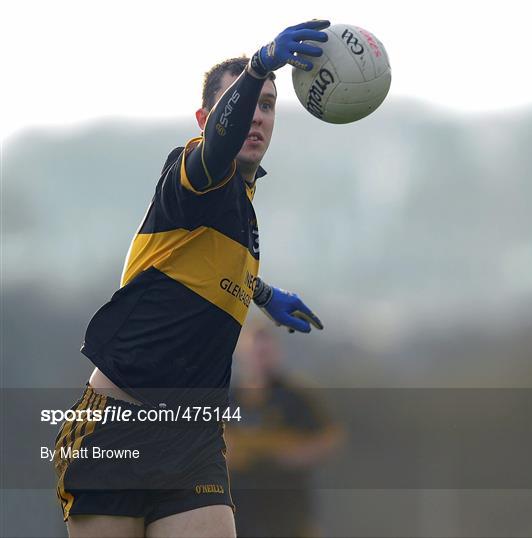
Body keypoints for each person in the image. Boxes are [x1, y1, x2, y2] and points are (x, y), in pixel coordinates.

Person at [53, 20, 330, 538]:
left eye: (268, 104)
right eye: (243, 102)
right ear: (208, 119)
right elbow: (216, 150)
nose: (256, 114)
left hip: (194, 442)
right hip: (118, 426)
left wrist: (264, 294)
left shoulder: (244, 214)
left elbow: (203, 271)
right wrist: (259, 67)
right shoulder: (193, 172)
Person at [227, 323, 342, 537]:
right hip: (240, 509)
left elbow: (329, 438)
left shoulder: (296, 397)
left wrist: (296, 455)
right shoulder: (227, 398)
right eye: (255, 352)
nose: (260, 358)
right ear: (241, 353)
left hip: (288, 507)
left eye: (265, 352)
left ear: (277, 352)